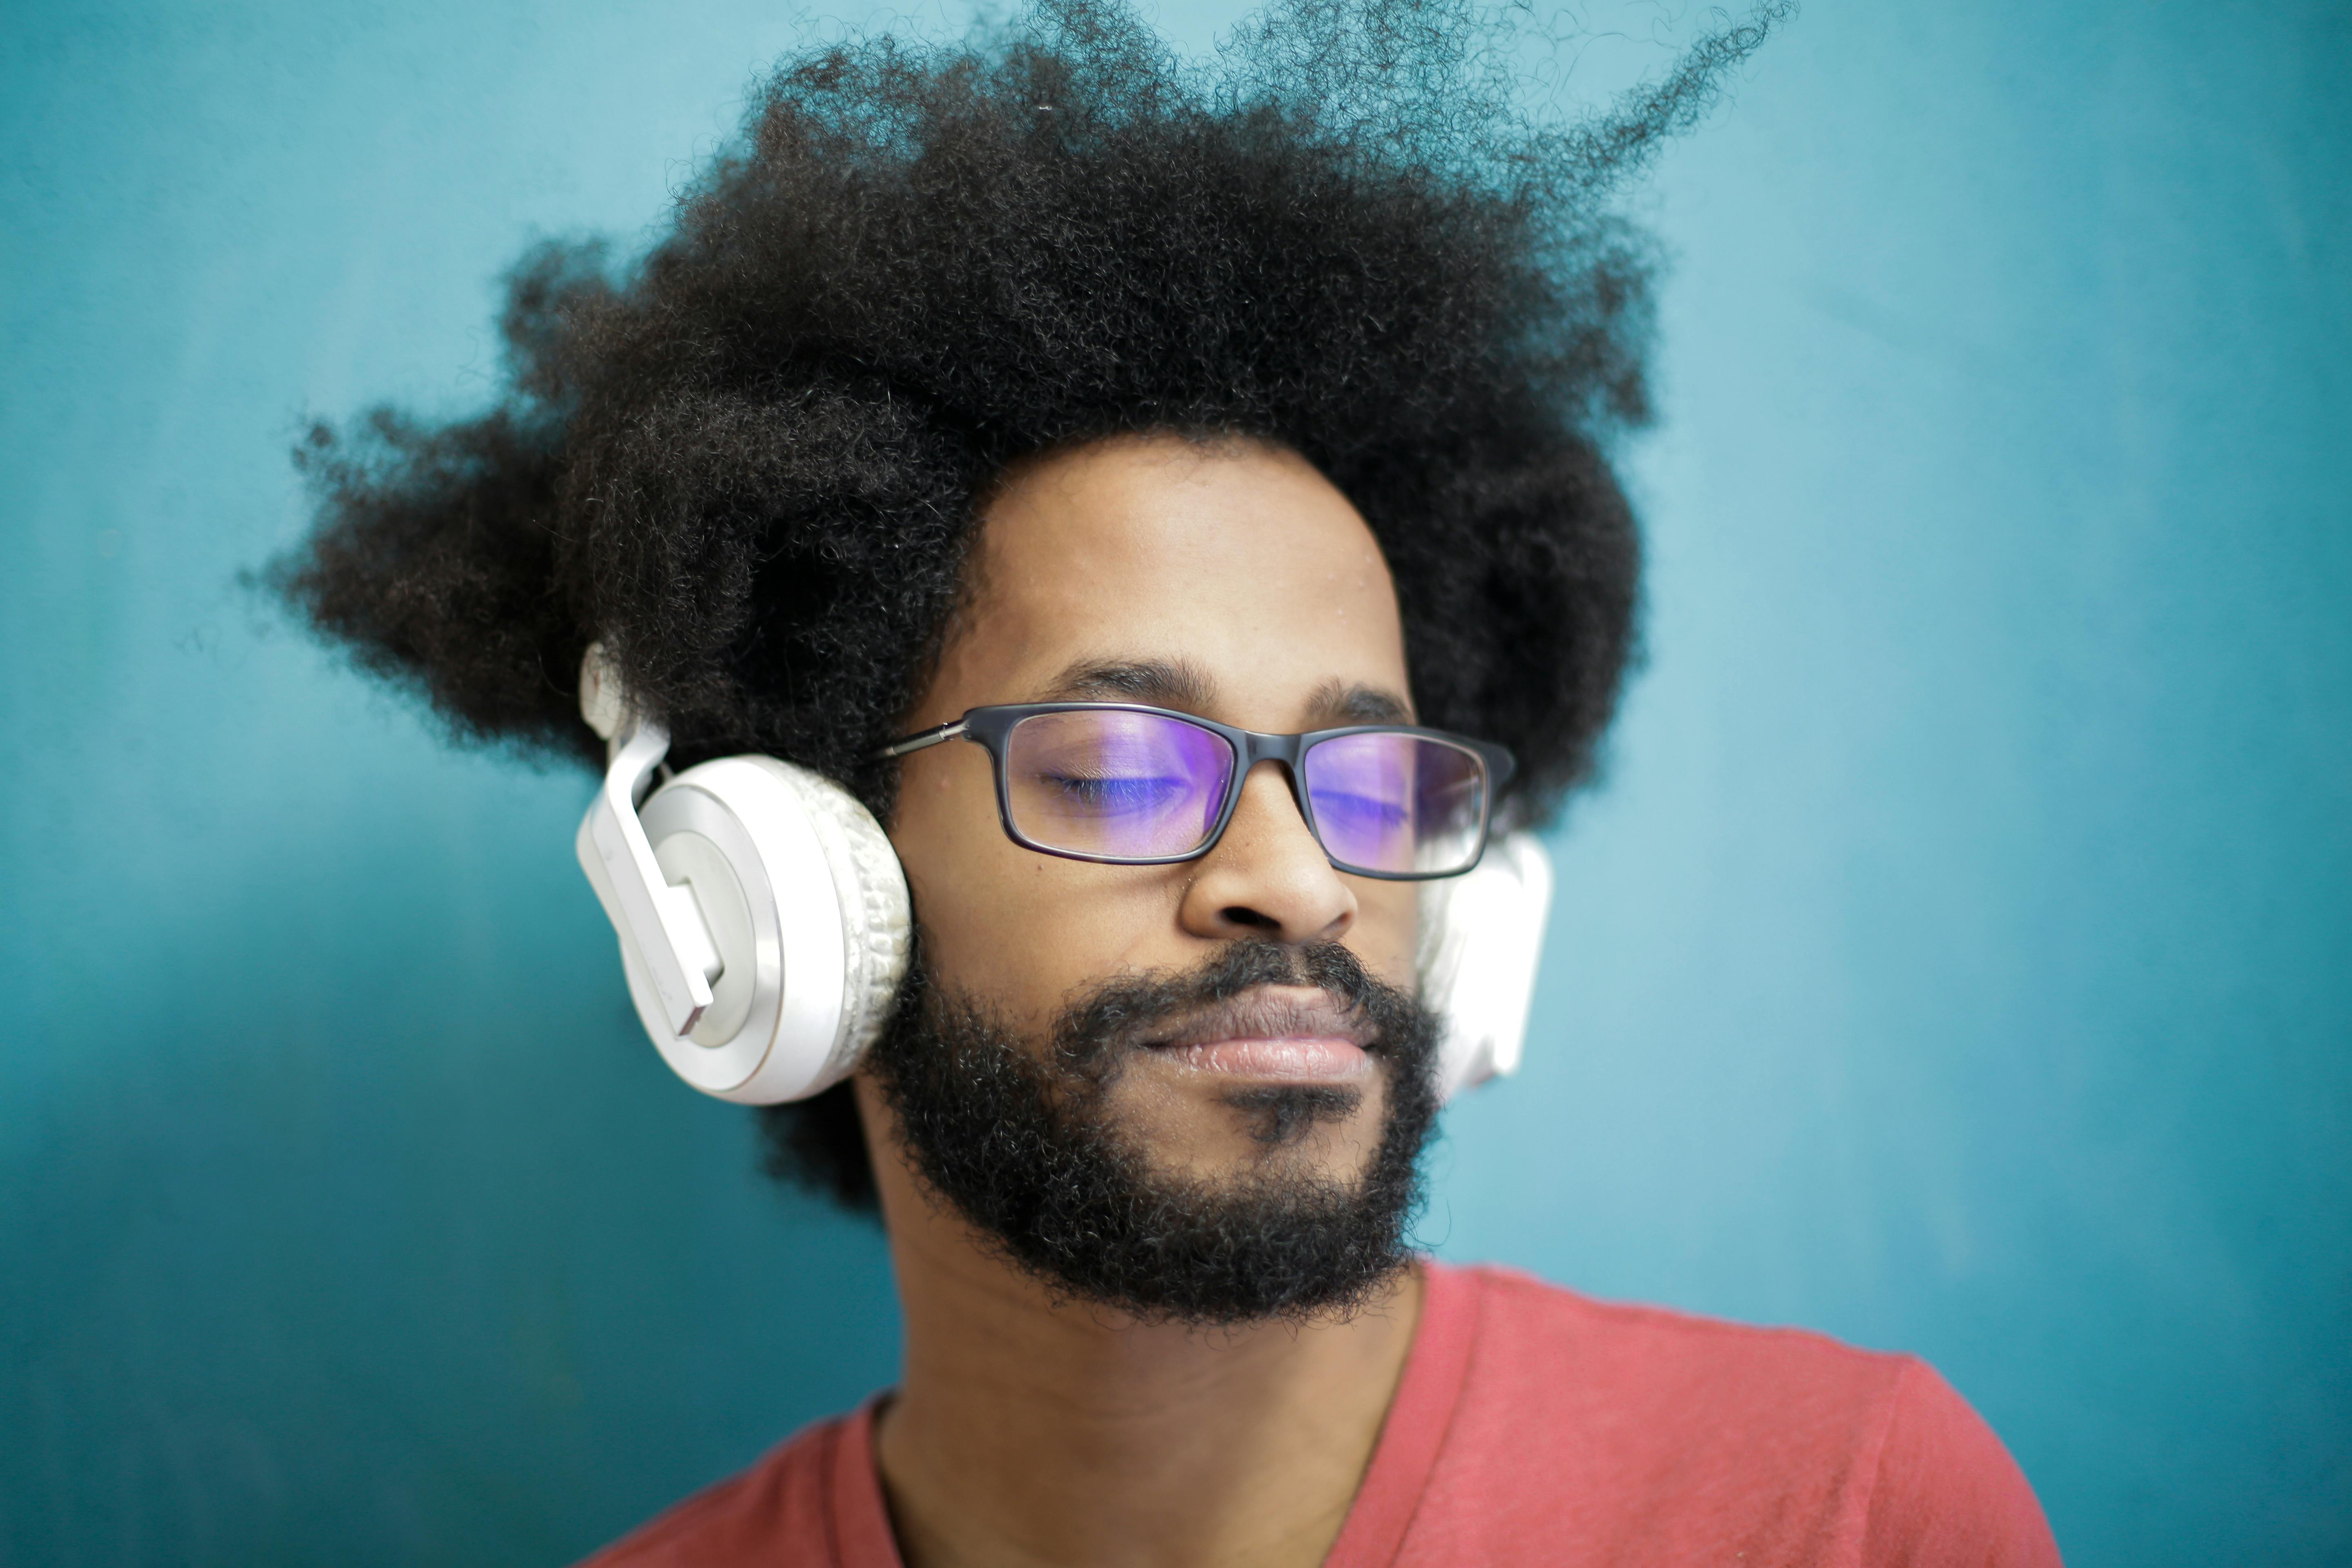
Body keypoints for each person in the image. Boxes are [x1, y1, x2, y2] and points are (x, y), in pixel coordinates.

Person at [270, 0, 2063, 1561]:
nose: (1300, 883)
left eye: (1373, 774)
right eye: (1126, 763)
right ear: (795, 880)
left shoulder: (1843, 1512)